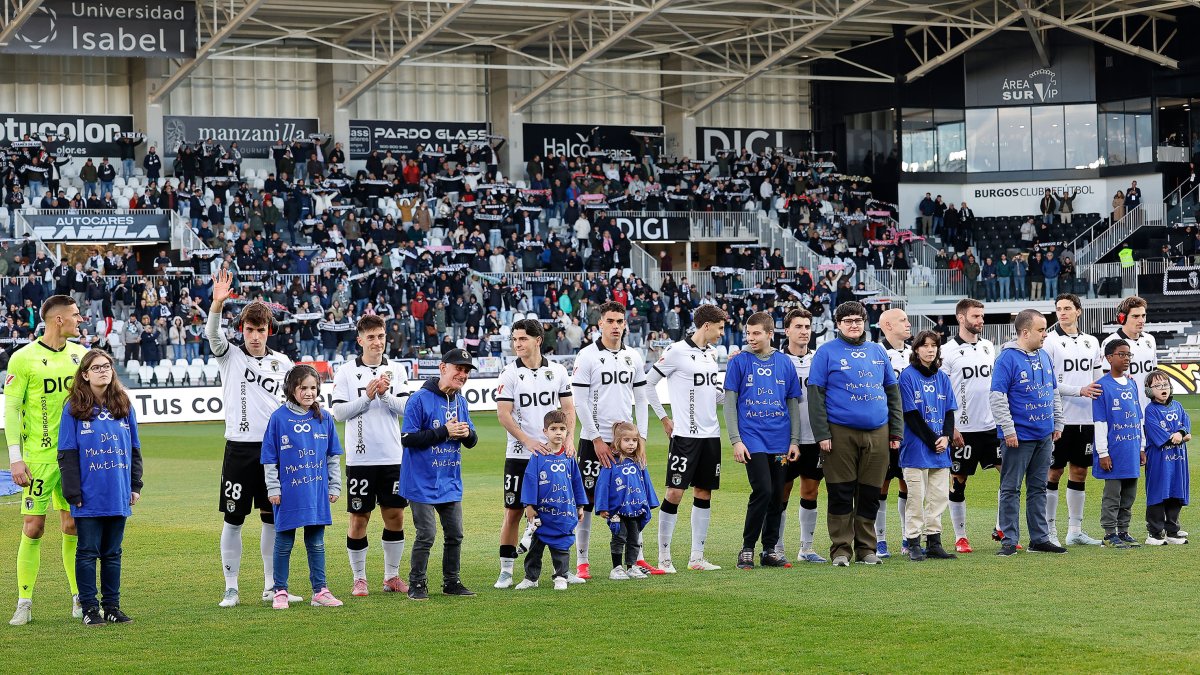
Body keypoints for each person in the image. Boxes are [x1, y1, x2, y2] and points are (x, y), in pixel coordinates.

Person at [207, 269, 297, 608]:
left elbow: (294, 404)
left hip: (274, 452)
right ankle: (231, 587)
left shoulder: (283, 363)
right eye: (249, 329)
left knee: (272, 518)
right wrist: (217, 304)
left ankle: (272, 585)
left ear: (269, 330)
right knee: (233, 518)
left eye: (260, 330)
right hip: (239, 450)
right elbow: (213, 334)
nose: (255, 336)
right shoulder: (230, 355)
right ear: (241, 330)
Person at [6, 295, 89, 626]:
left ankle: (78, 598)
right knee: (34, 527)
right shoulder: (23, 358)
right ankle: (24, 601)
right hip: (38, 459)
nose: (80, 319)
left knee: (72, 525)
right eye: (75, 315)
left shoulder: (81, 356)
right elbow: (11, 408)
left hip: (74, 456)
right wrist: (15, 458)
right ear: (58, 320)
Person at [808, 301, 902, 567]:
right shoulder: (826, 352)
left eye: (858, 320)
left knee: (870, 493)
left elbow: (892, 394)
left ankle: (866, 548)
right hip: (840, 433)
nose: (853, 325)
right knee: (840, 492)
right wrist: (822, 434)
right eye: (848, 321)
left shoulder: (877, 351)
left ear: (865, 323)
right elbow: (816, 396)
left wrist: (896, 431)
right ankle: (840, 549)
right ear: (838, 324)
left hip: (878, 432)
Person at [56, 349, 143, 626]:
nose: (103, 371)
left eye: (106, 366)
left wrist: (135, 485)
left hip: (117, 492)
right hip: (87, 494)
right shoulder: (73, 407)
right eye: (96, 368)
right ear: (85, 374)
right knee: (87, 552)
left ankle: (112, 607)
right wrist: (73, 492)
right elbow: (66, 453)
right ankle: (90, 610)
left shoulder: (123, 403)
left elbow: (135, 449)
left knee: (113, 553)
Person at [571, 301, 652, 580]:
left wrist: (641, 437)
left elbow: (641, 400)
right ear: (600, 324)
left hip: (625, 444)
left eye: (620, 321)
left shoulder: (634, 356)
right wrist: (595, 438)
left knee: (632, 500)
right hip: (594, 442)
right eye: (611, 321)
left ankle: (635, 560)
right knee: (588, 502)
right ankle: (582, 562)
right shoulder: (587, 356)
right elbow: (579, 402)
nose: (616, 326)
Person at [331, 315, 411, 597]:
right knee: (358, 518)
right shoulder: (345, 373)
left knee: (395, 516)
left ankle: (391, 576)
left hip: (392, 457)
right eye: (372, 337)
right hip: (360, 459)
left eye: (381, 336)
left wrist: (386, 396)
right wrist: (366, 397)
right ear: (360, 340)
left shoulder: (396, 370)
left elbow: (407, 409)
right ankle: (359, 578)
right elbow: (338, 413)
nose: (377, 342)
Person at [494, 319, 576, 588]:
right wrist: (527, 440)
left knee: (558, 510)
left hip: (553, 456)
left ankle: (561, 570)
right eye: (515, 339)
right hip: (519, 454)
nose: (517, 344)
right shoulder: (508, 373)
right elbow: (503, 414)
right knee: (513, 512)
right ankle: (506, 571)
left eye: (522, 339)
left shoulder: (558, 371)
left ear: (537, 340)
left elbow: (568, 409)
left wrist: (570, 440)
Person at [645, 304, 727, 573]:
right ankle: (664, 558)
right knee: (674, 492)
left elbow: (713, 394)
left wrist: (737, 392)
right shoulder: (676, 351)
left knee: (704, 492)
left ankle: (696, 558)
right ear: (706, 326)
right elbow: (648, 384)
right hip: (685, 436)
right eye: (720, 327)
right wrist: (664, 418)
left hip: (711, 435)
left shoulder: (712, 354)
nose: (722, 333)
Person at [262, 364, 344, 609]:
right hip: (288, 494)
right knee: (284, 542)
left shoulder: (324, 418)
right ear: (291, 389)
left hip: (316, 493)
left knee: (316, 543)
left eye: (313, 387)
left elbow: (332, 456)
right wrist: (273, 488)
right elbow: (270, 458)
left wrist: (335, 485)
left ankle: (320, 591)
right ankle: (280, 591)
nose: (309, 392)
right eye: (303, 388)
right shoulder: (279, 418)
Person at [399, 348, 479, 600]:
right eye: (459, 368)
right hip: (420, 481)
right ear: (443, 368)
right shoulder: (419, 399)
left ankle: (451, 582)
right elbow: (407, 438)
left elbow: (472, 440)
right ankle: (417, 584)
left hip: (449, 480)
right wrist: (444, 432)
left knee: (455, 534)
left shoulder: (461, 402)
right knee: (426, 535)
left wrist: (467, 434)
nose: (463, 374)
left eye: (466, 371)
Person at [724, 311, 801, 569]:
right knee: (763, 491)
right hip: (752, 439)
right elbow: (729, 404)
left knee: (777, 495)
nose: (751, 338)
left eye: (756, 333)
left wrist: (794, 441)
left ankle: (770, 550)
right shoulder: (739, 362)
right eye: (748, 333)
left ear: (770, 334)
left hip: (780, 441)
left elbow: (792, 405)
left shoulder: (785, 363)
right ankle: (746, 548)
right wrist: (736, 440)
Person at [989, 309, 1067, 556]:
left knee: (1038, 488)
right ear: (1025, 332)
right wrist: (1008, 430)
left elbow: (1052, 390)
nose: (1045, 334)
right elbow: (997, 397)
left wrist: (1058, 422)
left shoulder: (1044, 355)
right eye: (1041, 330)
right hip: (1018, 437)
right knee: (1010, 488)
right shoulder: (1006, 359)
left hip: (1044, 435)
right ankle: (1009, 540)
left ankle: (1039, 538)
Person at [1042, 294, 1105, 547]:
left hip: (1086, 419)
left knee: (1079, 472)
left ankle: (1075, 530)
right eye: (1058, 309)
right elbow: (1049, 382)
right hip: (1060, 418)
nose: (1062, 313)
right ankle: (1048, 531)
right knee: (1053, 472)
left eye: (1067, 308)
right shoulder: (1050, 342)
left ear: (1078, 311)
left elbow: (1099, 380)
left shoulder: (1091, 342)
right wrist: (1079, 390)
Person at [941, 299, 1002, 554]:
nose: (980, 320)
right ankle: (961, 536)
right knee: (959, 480)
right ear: (961, 318)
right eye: (975, 316)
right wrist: (950, 426)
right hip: (962, 429)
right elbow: (943, 392)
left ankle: (1002, 527)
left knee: (1008, 474)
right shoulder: (946, 351)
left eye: (982, 316)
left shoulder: (989, 347)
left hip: (990, 426)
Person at [898, 331, 958, 562]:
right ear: (916, 350)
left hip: (941, 449)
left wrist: (946, 437)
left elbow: (949, 411)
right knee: (915, 497)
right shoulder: (907, 376)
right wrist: (934, 440)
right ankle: (912, 542)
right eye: (925, 346)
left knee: (939, 497)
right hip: (916, 449)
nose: (930, 350)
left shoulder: (942, 377)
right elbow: (911, 415)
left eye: (934, 346)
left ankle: (934, 541)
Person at [775, 308, 827, 564]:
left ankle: (806, 548)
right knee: (781, 492)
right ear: (787, 331)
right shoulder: (775, 360)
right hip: (784, 440)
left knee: (811, 491)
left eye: (807, 326)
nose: (804, 331)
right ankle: (777, 547)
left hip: (814, 439)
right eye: (798, 326)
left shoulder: (819, 359)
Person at [516, 410, 587, 590]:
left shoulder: (569, 457)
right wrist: (529, 506)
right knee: (535, 549)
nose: (558, 432)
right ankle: (531, 578)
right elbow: (530, 480)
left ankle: (561, 576)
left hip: (563, 512)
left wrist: (580, 505)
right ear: (545, 431)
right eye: (553, 428)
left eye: (562, 429)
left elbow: (577, 482)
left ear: (567, 433)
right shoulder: (538, 456)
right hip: (542, 514)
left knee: (562, 546)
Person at [1090, 340, 1144, 550]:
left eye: (1128, 355)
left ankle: (1123, 530)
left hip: (1131, 449)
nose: (1126, 359)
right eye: (1121, 354)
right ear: (1109, 358)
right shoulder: (1101, 386)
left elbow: (1138, 418)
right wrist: (1103, 452)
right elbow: (1100, 422)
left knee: (1129, 494)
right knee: (1113, 494)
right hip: (1114, 451)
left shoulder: (1132, 383)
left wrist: (1141, 447)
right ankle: (1109, 533)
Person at [594, 421, 659, 580]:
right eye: (627, 440)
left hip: (636, 508)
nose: (631, 444)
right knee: (619, 537)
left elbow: (646, 483)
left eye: (634, 440)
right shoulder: (611, 463)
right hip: (617, 510)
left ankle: (631, 567)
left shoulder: (639, 462)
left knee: (634, 539)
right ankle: (616, 568)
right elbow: (602, 485)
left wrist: (650, 503)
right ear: (618, 441)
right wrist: (602, 507)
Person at [875, 307, 912, 558]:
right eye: (903, 320)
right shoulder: (876, 353)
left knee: (908, 483)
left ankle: (907, 536)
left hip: (912, 429)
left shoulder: (914, 354)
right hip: (884, 429)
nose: (908, 324)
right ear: (887, 325)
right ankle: (880, 539)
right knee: (881, 484)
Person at [1141, 371, 1190, 545]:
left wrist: (1181, 433)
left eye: (1165, 385)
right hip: (1159, 460)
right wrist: (1179, 437)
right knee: (1158, 493)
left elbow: (1186, 424)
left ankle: (1172, 531)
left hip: (1178, 460)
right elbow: (1157, 435)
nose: (1163, 388)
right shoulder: (1150, 410)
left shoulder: (1177, 405)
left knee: (1176, 492)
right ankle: (1154, 533)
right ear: (1149, 390)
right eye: (1158, 386)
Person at [1100, 296, 1157, 412]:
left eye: (1143, 316)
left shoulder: (1150, 340)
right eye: (1135, 316)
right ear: (1122, 318)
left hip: (1150, 410)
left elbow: (1154, 375)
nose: (1141, 320)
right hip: (1125, 410)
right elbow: (1107, 380)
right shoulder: (1110, 343)